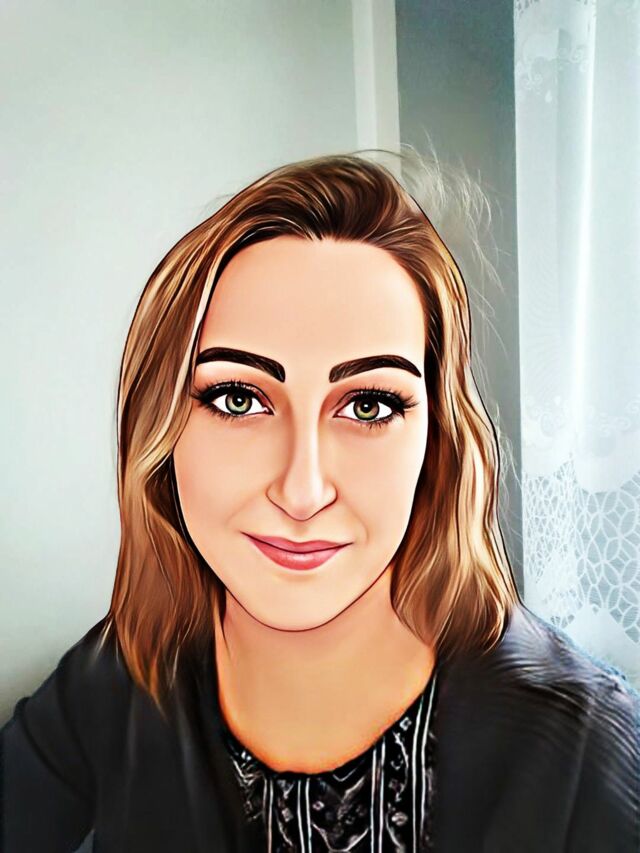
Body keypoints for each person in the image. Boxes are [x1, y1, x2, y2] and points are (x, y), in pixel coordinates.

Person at [2, 152, 638, 853]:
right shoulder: (125, 674)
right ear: (161, 429)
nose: (302, 491)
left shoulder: (582, 744)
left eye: (368, 405)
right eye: (238, 399)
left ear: (438, 441)